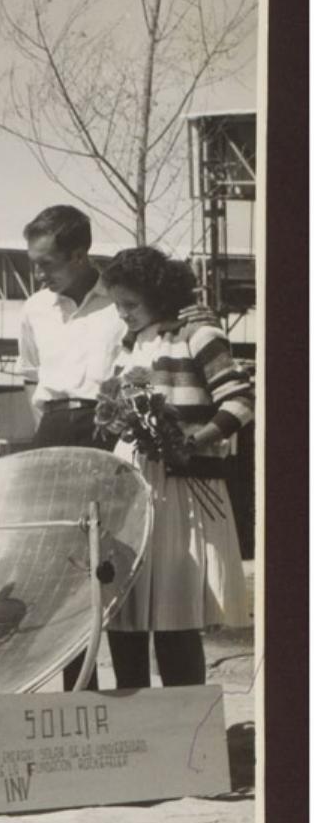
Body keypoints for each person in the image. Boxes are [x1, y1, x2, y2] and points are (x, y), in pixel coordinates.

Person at [17, 204, 216, 688]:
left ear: (81, 255)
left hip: (112, 434)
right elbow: (28, 376)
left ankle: (154, 700)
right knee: (66, 580)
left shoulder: (121, 303)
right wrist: (49, 431)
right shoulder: (34, 308)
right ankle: (79, 699)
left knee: (125, 573)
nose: (37, 273)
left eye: (47, 263)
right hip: (55, 434)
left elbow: (163, 334)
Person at [97, 247, 252, 688]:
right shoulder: (127, 348)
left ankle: (186, 726)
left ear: (159, 297)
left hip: (179, 490)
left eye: (130, 305)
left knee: (173, 614)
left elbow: (241, 400)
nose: (122, 314)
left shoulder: (196, 335)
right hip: (131, 488)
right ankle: (138, 725)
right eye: (118, 304)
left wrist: (193, 441)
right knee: (124, 614)